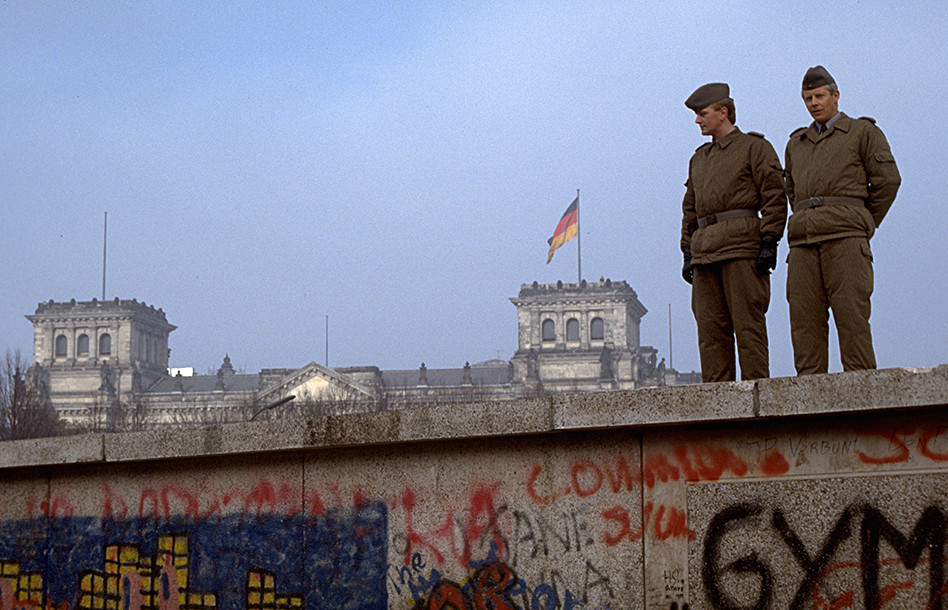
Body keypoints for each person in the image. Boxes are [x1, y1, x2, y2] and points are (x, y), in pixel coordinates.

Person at [784, 66, 901, 375]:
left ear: (836, 96)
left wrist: (861, 221)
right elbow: (791, 190)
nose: (813, 103)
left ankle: (863, 409)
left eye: (819, 96)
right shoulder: (796, 142)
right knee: (804, 328)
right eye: (807, 98)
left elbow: (888, 181)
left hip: (846, 240)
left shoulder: (863, 132)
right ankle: (811, 412)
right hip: (804, 243)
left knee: (852, 322)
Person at [681, 83, 787, 382]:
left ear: (723, 112)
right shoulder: (698, 158)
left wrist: (770, 240)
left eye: (703, 114)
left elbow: (775, 197)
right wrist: (688, 250)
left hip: (742, 248)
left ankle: (758, 396)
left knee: (748, 328)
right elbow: (690, 209)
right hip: (705, 252)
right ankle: (718, 406)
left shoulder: (754, 148)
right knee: (710, 332)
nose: (698, 121)